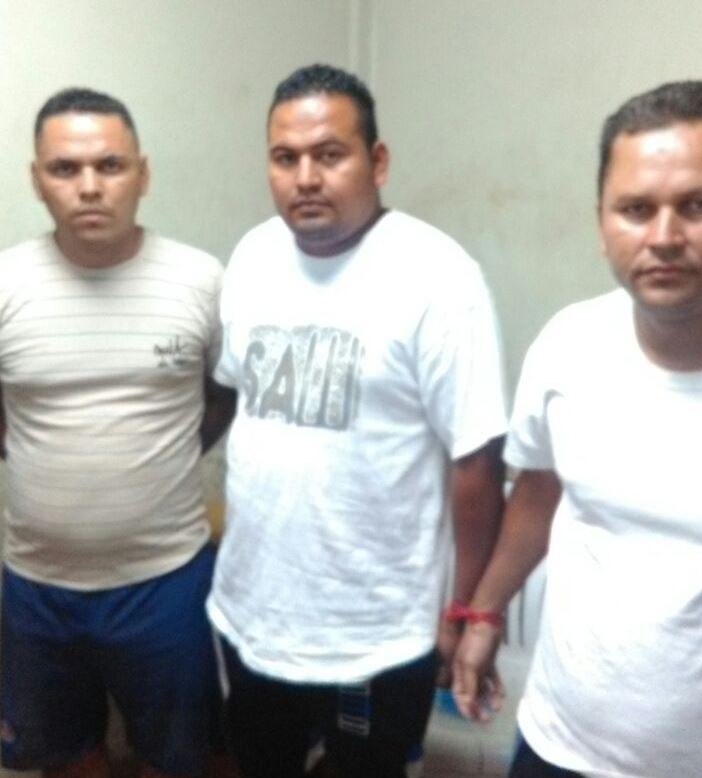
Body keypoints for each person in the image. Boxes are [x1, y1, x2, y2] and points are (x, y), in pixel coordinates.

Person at [453, 80, 702, 778]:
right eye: (636, 209)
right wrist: (484, 614)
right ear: (602, 224)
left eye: (699, 205)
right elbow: (539, 493)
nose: (664, 237)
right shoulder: (569, 344)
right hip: (559, 747)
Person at [207, 63, 507, 778]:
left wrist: (465, 611)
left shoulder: (438, 276)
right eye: (285, 158)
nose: (306, 177)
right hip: (253, 611)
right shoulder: (252, 255)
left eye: (329, 154)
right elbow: (239, 398)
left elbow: (477, 462)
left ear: (377, 161)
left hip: (376, 629)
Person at [0, 88, 236, 778]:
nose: (89, 186)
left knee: (179, 757)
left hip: (164, 581)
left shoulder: (200, 280)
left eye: (110, 165)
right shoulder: (5, 284)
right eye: (65, 169)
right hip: (35, 586)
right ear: (37, 179)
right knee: (65, 757)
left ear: (143, 173)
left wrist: (160, 459)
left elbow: (222, 397)